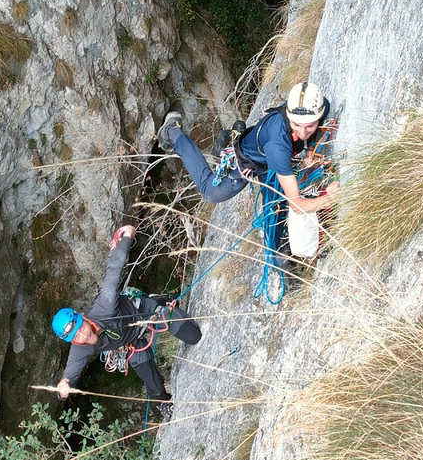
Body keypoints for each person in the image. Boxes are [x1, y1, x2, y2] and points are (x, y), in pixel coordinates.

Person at [52, 225, 201, 421]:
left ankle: (159, 301)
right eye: (76, 337)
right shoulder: (80, 349)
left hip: (142, 312)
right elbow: (69, 376)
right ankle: (162, 403)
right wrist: (62, 388)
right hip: (130, 342)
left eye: (81, 328)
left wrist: (127, 236)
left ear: (83, 318)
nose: (84, 336)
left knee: (193, 336)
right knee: (152, 382)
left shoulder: (104, 306)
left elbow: (114, 270)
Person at [157, 81, 340, 216]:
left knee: (274, 202)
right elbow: (297, 205)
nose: (302, 132)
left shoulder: (317, 106)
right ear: (288, 114)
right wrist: (330, 198)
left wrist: (310, 150)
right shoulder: (278, 146)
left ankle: (279, 248)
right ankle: (173, 131)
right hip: (247, 162)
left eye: (309, 126)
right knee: (210, 192)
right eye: (296, 125)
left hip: (265, 153)